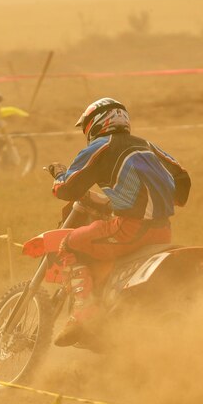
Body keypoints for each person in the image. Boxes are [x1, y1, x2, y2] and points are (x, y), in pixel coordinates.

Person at [48, 97, 191, 347]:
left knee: (69, 244)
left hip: (128, 230)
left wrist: (59, 174)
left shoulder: (100, 147)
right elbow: (182, 182)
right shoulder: (149, 146)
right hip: (162, 233)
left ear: (95, 123)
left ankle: (83, 311)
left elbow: (67, 190)